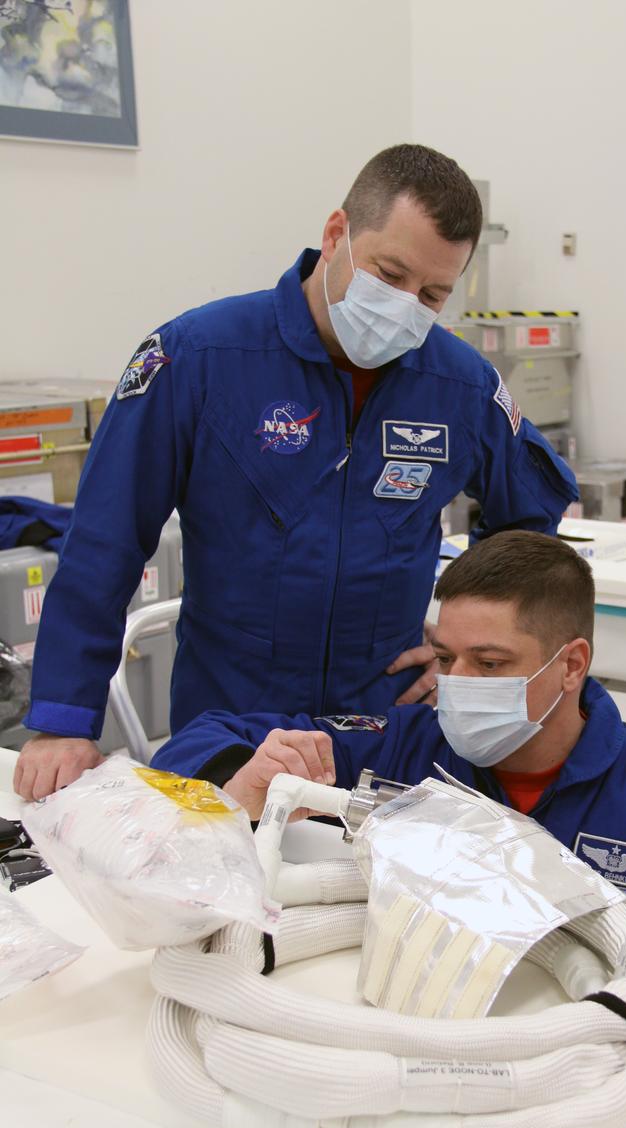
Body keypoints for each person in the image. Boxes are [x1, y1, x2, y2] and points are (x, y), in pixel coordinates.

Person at [15, 144, 577, 802]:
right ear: (336, 234)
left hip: (383, 730)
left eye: (430, 294)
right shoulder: (199, 357)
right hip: (229, 725)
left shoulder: (460, 385)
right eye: (389, 275)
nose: (404, 306)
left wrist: (463, 650)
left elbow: (531, 520)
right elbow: (105, 540)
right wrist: (62, 719)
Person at [152, 531, 626, 925]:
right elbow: (196, 740)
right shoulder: (397, 745)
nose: (460, 683)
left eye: (492, 663)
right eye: (447, 659)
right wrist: (247, 777)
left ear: (572, 665)